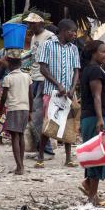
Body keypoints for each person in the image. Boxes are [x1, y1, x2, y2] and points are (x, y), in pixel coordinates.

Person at [37, 19, 81, 168]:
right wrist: (58, 84)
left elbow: (76, 70)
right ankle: (41, 156)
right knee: (50, 123)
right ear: (63, 31)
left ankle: (68, 158)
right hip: (52, 92)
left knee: (68, 124)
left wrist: (73, 87)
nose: (74, 34)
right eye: (72, 31)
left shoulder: (73, 49)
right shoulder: (48, 45)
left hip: (69, 94)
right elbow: (43, 68)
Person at [80, 40, 105, 205]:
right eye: (103, 51)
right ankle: (91, 193)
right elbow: (96, 96)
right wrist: (101, 118)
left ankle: (90, 189)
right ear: (93, 53)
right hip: (96, 117)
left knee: (95, 156)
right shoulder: (94, 70)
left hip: (92, 117)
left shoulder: (91, 69)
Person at [26, 13, 56, 157]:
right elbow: (32, 55)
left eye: (32, 23)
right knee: (36, 114)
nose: (29, 26)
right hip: (35, 78)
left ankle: (47, 149)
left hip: (44, 79)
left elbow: (55, 57)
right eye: (29, 24)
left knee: (39, 115)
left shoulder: (50, 36)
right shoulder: (33, 38)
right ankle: (42, 148)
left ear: (40, 24)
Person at [0, 52, 33, 175]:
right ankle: (21, 164)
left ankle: (19, 167)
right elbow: (31, 96)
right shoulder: (27, 76)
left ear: (9, 65)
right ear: (20, 64)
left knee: (15, 137)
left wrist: (1, 109)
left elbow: (4, 96)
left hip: (13, 109)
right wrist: (30, 111)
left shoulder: (8, 78)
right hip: (25, 109)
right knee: (21, 135)